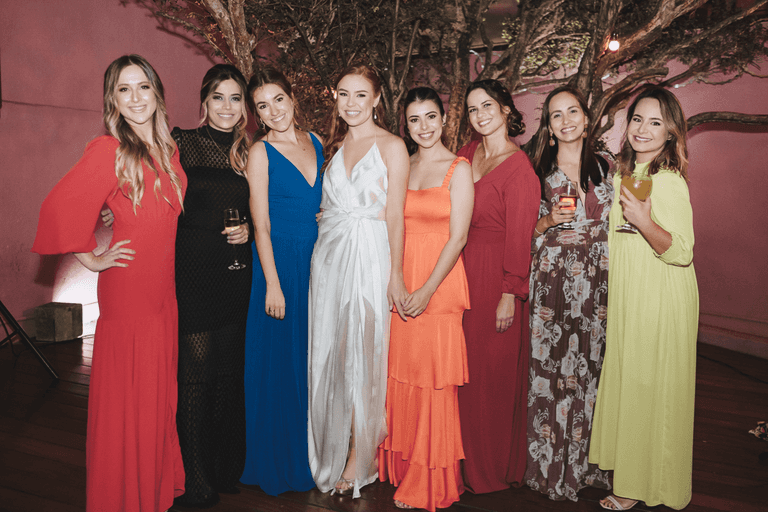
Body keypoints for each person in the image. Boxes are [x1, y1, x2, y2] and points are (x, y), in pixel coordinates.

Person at [32, 54, 186, 511]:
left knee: (155, 392)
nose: (135, 98)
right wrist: (93, 259)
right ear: (112, 101)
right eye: (124, 89)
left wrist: (113, 207)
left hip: (163, 290)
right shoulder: (109, 149)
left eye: (143, 87)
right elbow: (57, 208)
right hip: (129, 289)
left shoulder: (168, 151)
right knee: (129, 394)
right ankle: (122, 494)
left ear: (157, 93)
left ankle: (149, 485)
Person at [589, 87, 698, 511]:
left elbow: (682, 251)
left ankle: (636, 486)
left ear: (671, 133)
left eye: (656, 123)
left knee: (648, 387)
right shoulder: (625, 175)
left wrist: (643, 220)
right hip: (632, 291)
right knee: (633, 384)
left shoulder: (668, 181)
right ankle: (635, 474)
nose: (644, 129)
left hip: (661, 294)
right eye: (638, 119)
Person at [308, 65, 410, 498]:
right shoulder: (333, 147)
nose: (351, 103)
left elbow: (396, 216)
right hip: (329, 261)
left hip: (370, 258)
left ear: (376, 100)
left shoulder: (392, 146)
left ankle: (360, 452)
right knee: (333, 352)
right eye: (343, 94)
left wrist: (396, 276)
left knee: (363, 353)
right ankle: (340, 442)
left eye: (360, 95)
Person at [377, 87, 474, 510]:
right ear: (407, 125)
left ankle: (428, 481)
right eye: (414, 120)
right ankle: (401, 466)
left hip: (439, 285)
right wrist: (396, 280)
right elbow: (388, 221)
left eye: (431, 116)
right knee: (401, 375)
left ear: (444, 119)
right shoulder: (404, 164)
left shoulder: (459, 168)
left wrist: (427, 289)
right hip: (401, 281)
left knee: (433, 383)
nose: (424, 127)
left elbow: (459, 237)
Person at [524, 86, 613, 501]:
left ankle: (588, 465)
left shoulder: (608, 164)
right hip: (555, 279)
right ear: (548, 125)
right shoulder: (535, 169)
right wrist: (547, 223)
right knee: (554, 371)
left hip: (599, 281)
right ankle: (550, 464)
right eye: (556, 115)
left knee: (593, 369)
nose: (565, 121)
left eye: (572, 111)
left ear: (586, 117)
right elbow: (523, 231)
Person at [170, 64, 252, 507]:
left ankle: (221, 468)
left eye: (235, 98)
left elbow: (263, 210)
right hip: (192, 273)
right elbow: (150, 188)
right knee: (196, 377)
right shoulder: (181, 142)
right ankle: (195, 475)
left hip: (235, 274)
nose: (227, 106)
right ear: (205, 102)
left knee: (226, 375)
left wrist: (251, 230)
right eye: (218, 97)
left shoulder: (249, 153)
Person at [239, 67, 323, 495]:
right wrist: (272, 284)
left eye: (278, 100)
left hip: (318, 263)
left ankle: (309, 453)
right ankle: (277, 460)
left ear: (292, 98)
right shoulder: (260, 152)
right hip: (280, 265)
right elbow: (261, 225)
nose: (273, 111)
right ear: (256, 114)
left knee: (308, 360)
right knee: (280, 362)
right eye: (262, 106)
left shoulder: (317, 141)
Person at [456, 79, 540, 493]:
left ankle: (486, 468)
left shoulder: (520, 168)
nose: (480, 115)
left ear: (506, 108)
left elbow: (520, 238)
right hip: (459, 273)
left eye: (487, 105)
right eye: (473, 109)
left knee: (490, 376)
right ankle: (457, 463)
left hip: (496, 281)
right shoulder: (465, 154)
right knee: (462, 373)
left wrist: (510, 293)